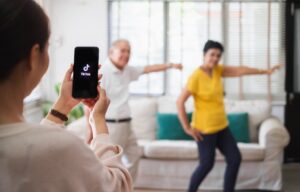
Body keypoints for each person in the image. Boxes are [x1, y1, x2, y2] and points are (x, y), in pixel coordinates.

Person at [0, 0, 132, 191]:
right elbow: (117, 185)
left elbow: (32, 142)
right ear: (34, 55)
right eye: (48, 46)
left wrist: (62, 106)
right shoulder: (63, 147)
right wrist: (99, 124)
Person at [176, 40, 282, 192]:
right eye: (212, 54)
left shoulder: (217, 70)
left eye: (218, 55)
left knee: (234, 158)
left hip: (222, 126)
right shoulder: (196, 77)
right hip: (205, 130)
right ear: (204, 55)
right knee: (206, 164)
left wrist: (265, 71)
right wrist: (187, 127)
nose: (215, 58)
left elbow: (240, 71)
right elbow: (180, 102)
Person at [85, 39, 183, 180]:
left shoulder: (127, 70)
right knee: (107, 164)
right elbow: (89, 103)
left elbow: (148, 69)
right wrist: (90, 130)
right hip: (111, 126)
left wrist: (171, 65)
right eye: (122, 50)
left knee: (134, 155)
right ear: (111, 52)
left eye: (129, 51)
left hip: (126, 125)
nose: (126, 54)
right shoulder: (102, 72)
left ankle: (124, 188)